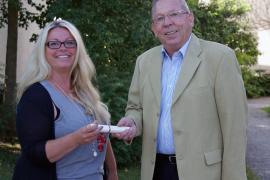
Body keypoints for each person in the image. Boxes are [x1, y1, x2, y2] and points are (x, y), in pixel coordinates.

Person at [113, 0, 248, 179]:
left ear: (190, 18)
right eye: (159, 18)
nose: (167, 22)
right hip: (156, 171)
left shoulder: (221, 58)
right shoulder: (144, 61)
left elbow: (235, 129)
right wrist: (132, 122)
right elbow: (135, 107)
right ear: (154, 28)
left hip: (203, 172)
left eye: (174, 14)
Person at [13, 19, 118, 180]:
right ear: (43, 51)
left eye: (70, 42)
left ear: (78, 49)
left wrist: (112, 172)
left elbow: (100, 133)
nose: (63, 48)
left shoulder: (84, 90)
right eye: (54, 43)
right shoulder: (36, 96)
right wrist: (76, 139)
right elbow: (35, 152)